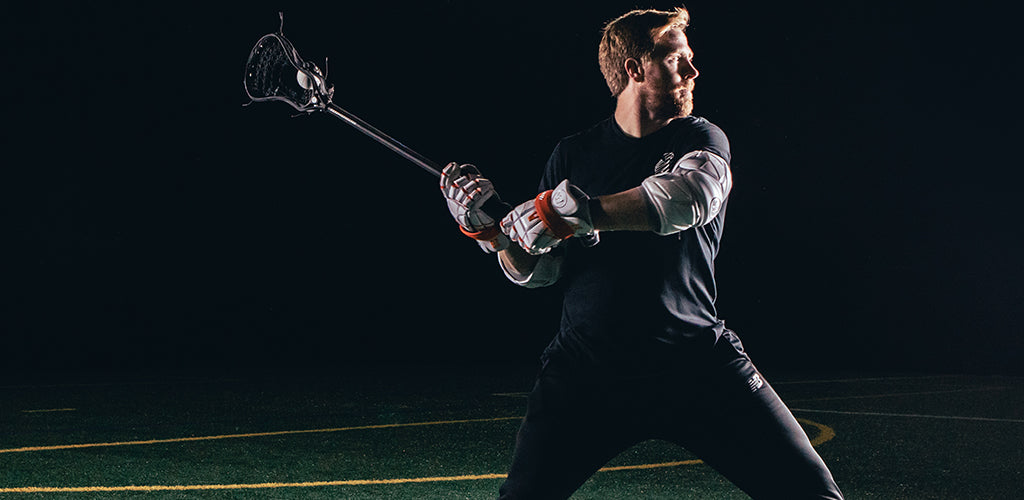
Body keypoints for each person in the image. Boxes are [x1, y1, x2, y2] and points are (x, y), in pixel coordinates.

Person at [440, 6, 843, 499]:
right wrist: (494, 235)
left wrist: (582, 213)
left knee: (812, 493)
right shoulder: (573, 154)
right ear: (635, 69)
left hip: (695, 363)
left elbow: (691, 196)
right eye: (677, 59)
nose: (693, 70)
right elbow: (539, 270)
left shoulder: (699, 137)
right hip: (586, 373)